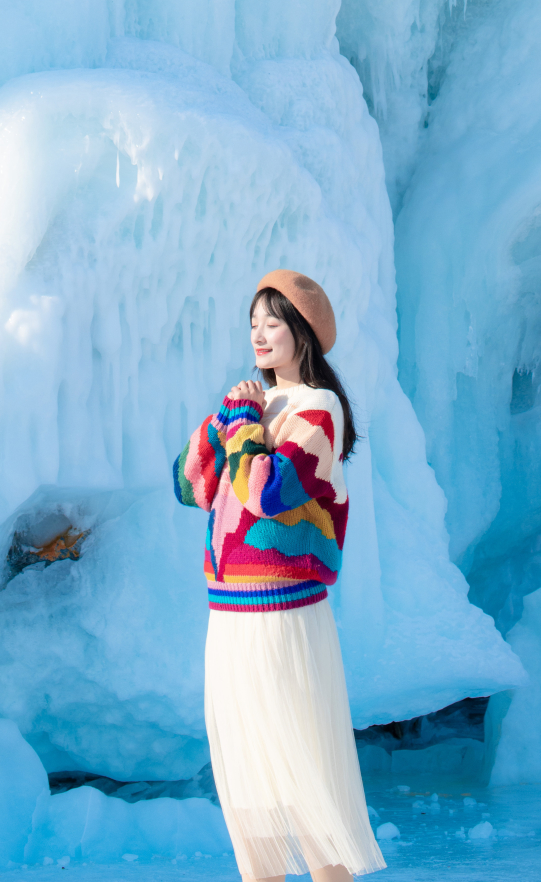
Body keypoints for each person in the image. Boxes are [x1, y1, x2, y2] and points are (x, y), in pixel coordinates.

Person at [173, 269, 385, 882]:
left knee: (305, 786)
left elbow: (266, 491)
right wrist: (223, 421)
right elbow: (190, 485)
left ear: (303, 333)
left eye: (273, 323)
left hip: (284, 616)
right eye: (253, 323)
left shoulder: (318, 410)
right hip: (232, 616)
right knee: (251, 796)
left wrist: (242, 423)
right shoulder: (259, 405)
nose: (259, 335)